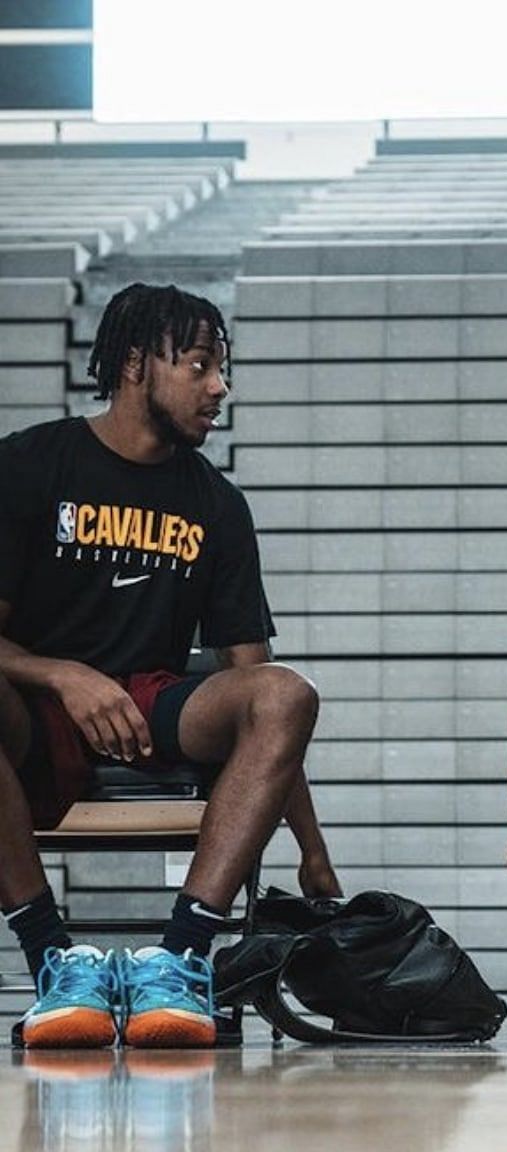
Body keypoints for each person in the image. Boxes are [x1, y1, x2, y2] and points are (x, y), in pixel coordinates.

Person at [0, 283, 341, 1050]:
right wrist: (64, 674)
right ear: (133, 364)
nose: (219, 387)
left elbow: (265, 697)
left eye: (222, 369)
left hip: (151, 712)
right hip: (31, 719)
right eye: (198, 365)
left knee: (287, 692)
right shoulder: (29, 466)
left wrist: (315, 855)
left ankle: (179, 958)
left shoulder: (217, 506)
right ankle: (54, 959)